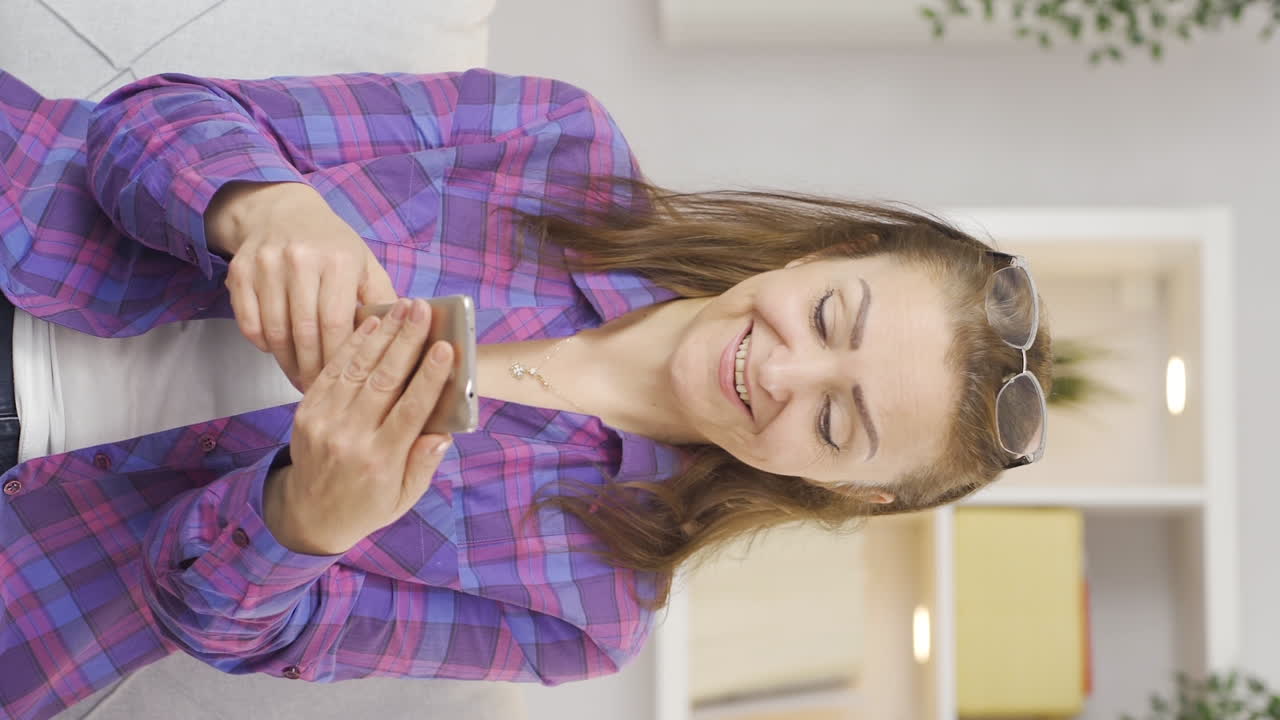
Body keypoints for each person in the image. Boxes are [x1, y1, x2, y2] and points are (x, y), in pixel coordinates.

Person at [0, 67, 1051, 720]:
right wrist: (266, 209)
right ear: (831, 247)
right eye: (829, 318)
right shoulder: (555, 143)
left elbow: (211, 618)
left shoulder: (587, 611)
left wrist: (302, 521)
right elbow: (143, 128)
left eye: (834, 422)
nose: (776, 371)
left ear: (849, 495)